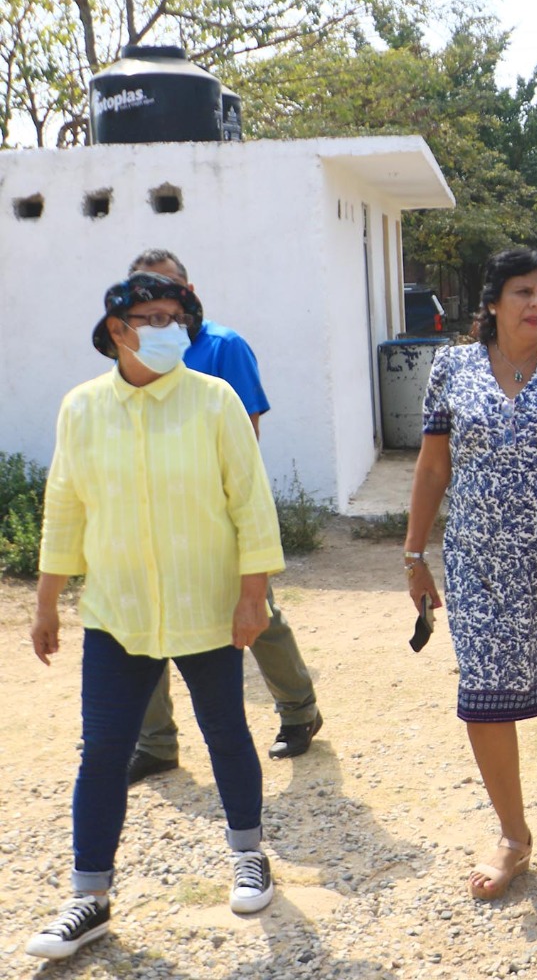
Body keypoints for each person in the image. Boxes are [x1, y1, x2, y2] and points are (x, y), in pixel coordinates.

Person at [28, 273, 284, 960]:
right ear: (118, 329)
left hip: (208, 605)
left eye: (180, 318)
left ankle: (248, 853)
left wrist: (252, 592)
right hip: (119, 612)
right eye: (156, 317)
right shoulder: (82, 408)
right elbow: (66, 505)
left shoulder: (213, 401)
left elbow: (249, 503)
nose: (173, 328)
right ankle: (90, 897)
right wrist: (48, 598)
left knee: (226, 730)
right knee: (104, 751)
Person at [405, 247, 537, 900]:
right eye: (523, 292)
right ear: (493, 302)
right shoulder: (452, 367)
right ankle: (513, 835)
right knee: (484, 696)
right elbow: (433, 468)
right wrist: (415, 553)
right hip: (479, 566)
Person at [121, 250, 323, 787]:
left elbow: (246, 436)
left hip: (216, 513)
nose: (154, 302)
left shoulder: (223, 346)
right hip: (154, 519)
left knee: (256, 617)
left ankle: (300, 710)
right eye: (143, 292)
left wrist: (232, 513)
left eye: (165, 288)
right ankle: (157, 742)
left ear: (187, 290)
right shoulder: (134, 346)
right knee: (147, 623)